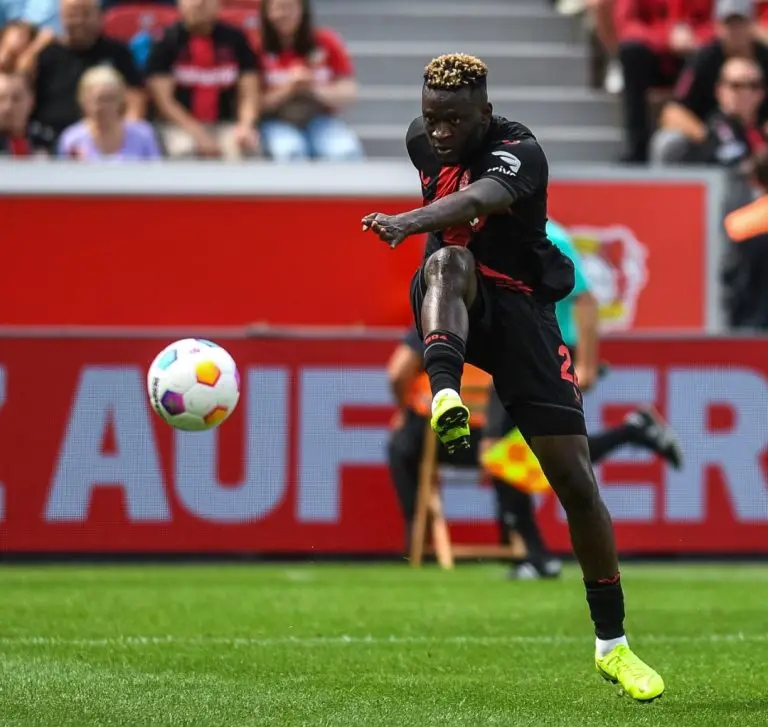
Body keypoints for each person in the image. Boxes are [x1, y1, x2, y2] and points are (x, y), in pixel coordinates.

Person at [362, 53, 664, 701]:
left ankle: (612, 645)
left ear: (486, 113)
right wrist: (423, 236)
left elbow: (479, 198)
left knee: (575, 481)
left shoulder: (520, 151)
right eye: (431, 118)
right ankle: (446, 392)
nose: (440, 132)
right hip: (461, 299)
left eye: (454, 119)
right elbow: (451, 228)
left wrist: (406, 221)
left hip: (524, 315)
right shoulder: (421, 141)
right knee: (446, 264)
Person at [480, 219, 683, 580]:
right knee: (512, 454)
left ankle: (534, 556)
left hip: (547, 351)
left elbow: (585, 299)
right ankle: (633, 431)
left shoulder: (548, 236)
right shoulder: (494, 228)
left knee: (529, 451)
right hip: (515, 352)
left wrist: (586, 364)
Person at [145, 0, 260, 160]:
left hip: (226, 125)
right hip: (178, 127)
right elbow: (165, 102)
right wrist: (200, 135)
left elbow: (249, 94)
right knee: (184, 150)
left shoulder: (236, 39)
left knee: (247, 148)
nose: (199, 3)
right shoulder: (164, 41)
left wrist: (245, 126)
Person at [29, 0, 144, 153]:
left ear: (100, 16)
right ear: (61, 18)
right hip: (48, 141)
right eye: (72, 15)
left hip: (105, 142)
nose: (79, 21)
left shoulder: (117, 52)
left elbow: (135, 95)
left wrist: (127, 132)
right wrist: (34, 48)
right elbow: (22, 91)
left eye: (86, 14)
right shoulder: (46, 54)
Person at [257, 0, 363, 161]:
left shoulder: (326, 41)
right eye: (278, 8)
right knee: (289, 152)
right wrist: (289, 88)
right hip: (276, 121)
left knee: (345, 152)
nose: (284, 14)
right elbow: (252, 104)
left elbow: (349, 92)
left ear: (302, 10)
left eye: (290, 8)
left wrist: (312, 87)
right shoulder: (256, 47)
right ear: (267, 12)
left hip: (321, 120)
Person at [57, 65, 161, 160]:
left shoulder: (143, 134)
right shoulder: (72, 138)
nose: (104, 106)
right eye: (98, 100)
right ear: (84, 101)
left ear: (121, 100)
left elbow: (156, 171)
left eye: (110, 99)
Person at [0, 70, 36, 155]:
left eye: (16, 99)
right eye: (1, 99)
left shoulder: (48, 142)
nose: (8, 107)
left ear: (31, 101)